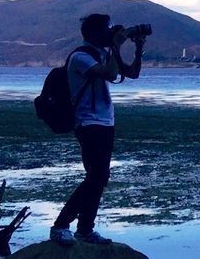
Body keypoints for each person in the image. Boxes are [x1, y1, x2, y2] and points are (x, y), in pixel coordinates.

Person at [50, 13, 144, 246]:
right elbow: (111, 74)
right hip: (88, 122)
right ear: (93, 34)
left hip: (105, 122)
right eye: (106, 30)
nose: (110, 34)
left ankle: (85, 229)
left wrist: (138, 48)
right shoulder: (81, 57)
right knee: (97, 176)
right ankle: (61, 225)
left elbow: (132, 73)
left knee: (99, 178)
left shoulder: (102, 54)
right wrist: (116, 45)